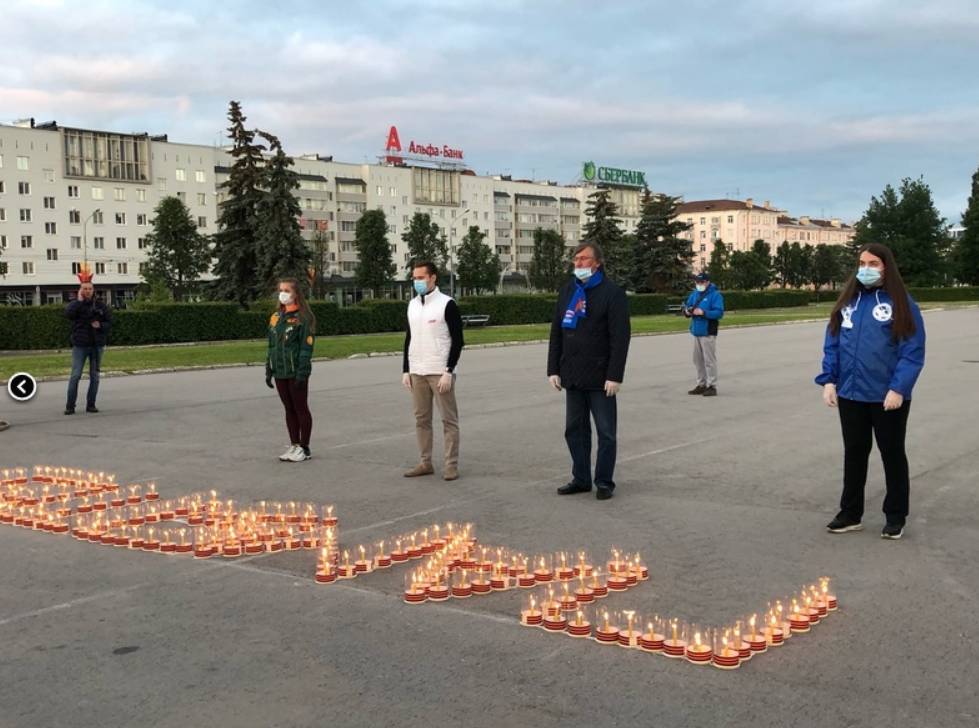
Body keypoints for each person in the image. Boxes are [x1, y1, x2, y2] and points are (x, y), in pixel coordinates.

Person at [816, 243, 925, 540]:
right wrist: (829, 380)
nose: (866, 268)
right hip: (851, 394)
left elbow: (912, 352)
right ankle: (850, 513)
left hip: (887, 396)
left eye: (873, 263)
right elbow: (833, 344)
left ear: (885, 267)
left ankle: (895, 515)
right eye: (862, 262)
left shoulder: (902, 304)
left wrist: (899, 388)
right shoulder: (847, 303)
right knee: (854, 453)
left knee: (892, 454)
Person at [547, 243, 630, 500]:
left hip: (600, 376)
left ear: (597, 263)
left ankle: (604, 480)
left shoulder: (612, 293)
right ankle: (581, 478)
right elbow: (557, 332)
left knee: (605, 431)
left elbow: (620, 337)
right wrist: (553, 369)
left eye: (584, 260)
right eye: (576, 260)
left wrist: (615, 375)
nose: (578, 264)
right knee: (575, 430)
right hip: (572, 374)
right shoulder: (569, 290)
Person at [402, 261, 464, 481]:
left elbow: (458, 340)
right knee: (422, 420)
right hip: (418, 370)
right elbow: (409, 338)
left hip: (439, 372)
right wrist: (406, 369)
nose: (417, 282)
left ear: (433, 278)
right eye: (414, 278)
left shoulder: (447, 304)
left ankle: (451, 465)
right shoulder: (412, 305)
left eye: (421, 277)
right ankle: (425, 462)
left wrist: (449, 370)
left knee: (449, 420)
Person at [266, 278, 316, 462]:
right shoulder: (276, 317)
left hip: (295, 371)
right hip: (280, 370)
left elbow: (306, 348)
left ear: (296, 294)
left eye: (287, 290)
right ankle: (294, 445)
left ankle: (304, 447)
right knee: (288, 409)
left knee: (300, 408)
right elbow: (271, 345)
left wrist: (302, 372)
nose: (283, 293)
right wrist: (268, 369)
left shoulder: (303, 318)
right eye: (281, 290)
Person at [64, 276, 112, 415]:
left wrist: (101, 325)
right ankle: (70, 405)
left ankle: (91, 404)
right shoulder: (76, 305)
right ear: (80, 290)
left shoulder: (100, 306)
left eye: (90, 289)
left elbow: (109, 322)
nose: (87, 291)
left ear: (93, 290)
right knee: (75, 375)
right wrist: (78, 301)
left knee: (95, 376)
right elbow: (68, 314)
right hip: (80, 345)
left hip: (97, 345)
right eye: (84, 288)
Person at [683, 271, 724, 396]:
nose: (699, 284)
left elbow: (719, 313)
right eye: (697, 282)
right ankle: (701, 384)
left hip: (708, 331)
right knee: (698, 360)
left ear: (707, 282)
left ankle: (712, 385)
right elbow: (687, 305)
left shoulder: (715, 295)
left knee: (709, 360)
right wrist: (687, 311)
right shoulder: (694, 294)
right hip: (696, 331)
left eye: (701, 282)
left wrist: (704, 312)